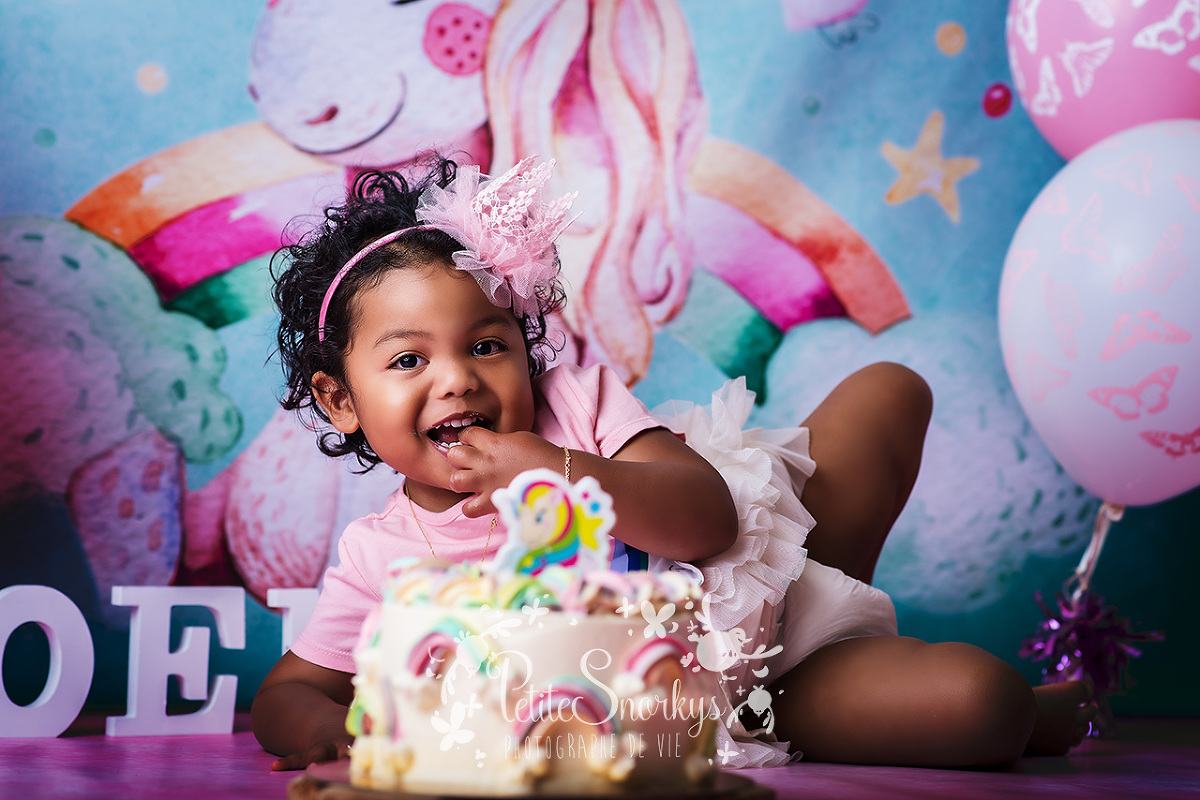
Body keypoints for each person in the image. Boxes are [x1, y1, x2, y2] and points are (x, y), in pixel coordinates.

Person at [252, 155, 1095, 772]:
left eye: (485, 344)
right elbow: (286, 692)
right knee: (988, 707)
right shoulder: (383, 556)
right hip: (747, 699)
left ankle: (834, 580)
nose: (459, 378)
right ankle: (1027, 714)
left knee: (889, 387)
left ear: (524, 348)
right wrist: (322, 731)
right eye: (408, 361)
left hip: (762, 598)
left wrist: (553, 469)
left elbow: (705, 518)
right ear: (339, 400)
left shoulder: (574, 407)